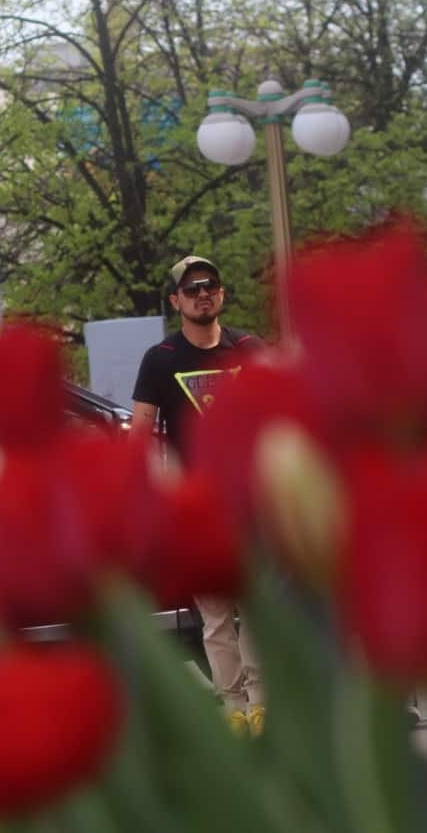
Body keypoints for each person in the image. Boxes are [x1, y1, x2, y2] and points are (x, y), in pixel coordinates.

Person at [131, 255, 266, 736]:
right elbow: (140, 432)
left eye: (210, 285)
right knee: (215, 618)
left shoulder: (249, 348)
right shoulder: (161, 360)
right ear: (176, 301)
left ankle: (261, 702)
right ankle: (233, 706)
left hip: (250, 503)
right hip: (197, 510)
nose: (202, 293)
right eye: (192, 289)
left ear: (222, 294)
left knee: (255, 609)